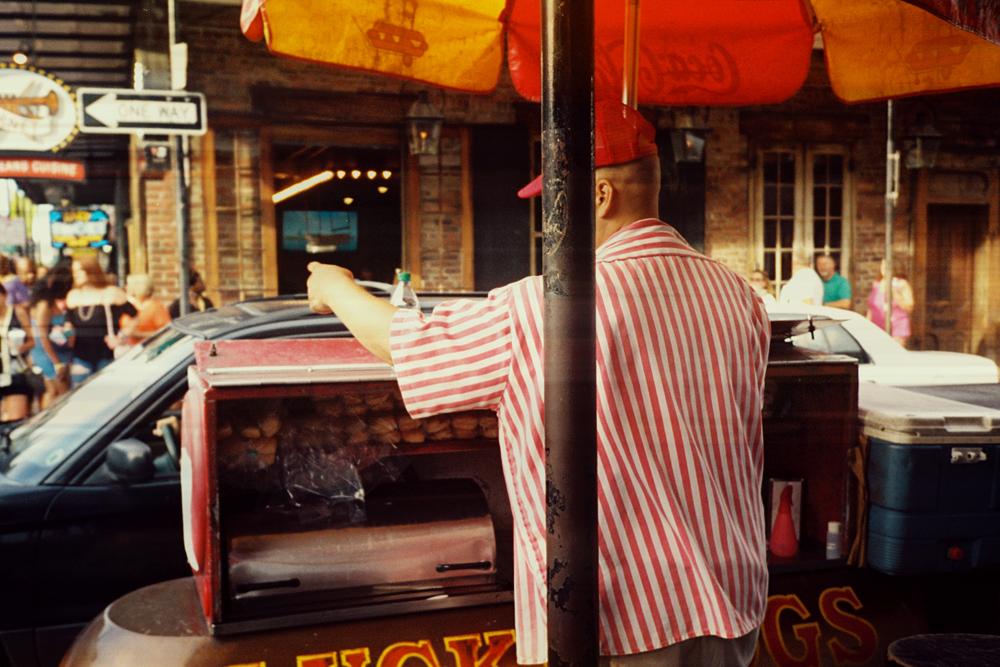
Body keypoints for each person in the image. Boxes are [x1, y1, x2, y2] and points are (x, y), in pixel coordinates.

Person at [307, 101, 769, 666]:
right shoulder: (739, 296)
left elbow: (403, 344)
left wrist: (334, 287)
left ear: (600, 197)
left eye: (556, 200)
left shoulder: (546, 305)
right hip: (732, 595)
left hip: (627, 617)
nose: (551, 218)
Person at [66, 256, 135, 386]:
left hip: (106, 354)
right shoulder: (73, 295)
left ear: (91, 271)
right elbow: (68, 326)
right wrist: (66, 336)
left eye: (79, 271)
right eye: (74, 271)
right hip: (80, 355)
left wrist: (122, 336)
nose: (75, 275)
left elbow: (135, 316)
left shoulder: (111, 292)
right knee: (80, 396)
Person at [29, 264, 75, 408]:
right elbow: (42, 336)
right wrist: (56, 363)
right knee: (62, 393)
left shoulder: (51, 303)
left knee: (54, 391)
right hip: (49, 355)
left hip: (57, 351)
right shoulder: (44, 305)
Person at [0, 282, 35, 421]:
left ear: (4, 295)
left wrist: (19, 348)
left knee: (15, 421)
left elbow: (32, 340)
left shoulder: (17, 312)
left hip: (16, 374)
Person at [867, 258, 914, 347]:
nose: (884, 268)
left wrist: (894, 292)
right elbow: (871, 308)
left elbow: (909, 307)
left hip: (897, 326)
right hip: (877, 326)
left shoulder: (901, 284)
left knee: (894, 354)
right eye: (882, 265)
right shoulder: (876, 284)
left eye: (887, 266)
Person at [120, 274, 171, 346]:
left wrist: (139, 334)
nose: (126, 287)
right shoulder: (131, 306)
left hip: (148, 350)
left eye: (128, 285)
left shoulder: (156, 308)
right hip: (128, 351)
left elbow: (166, 333)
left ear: (138, 287)